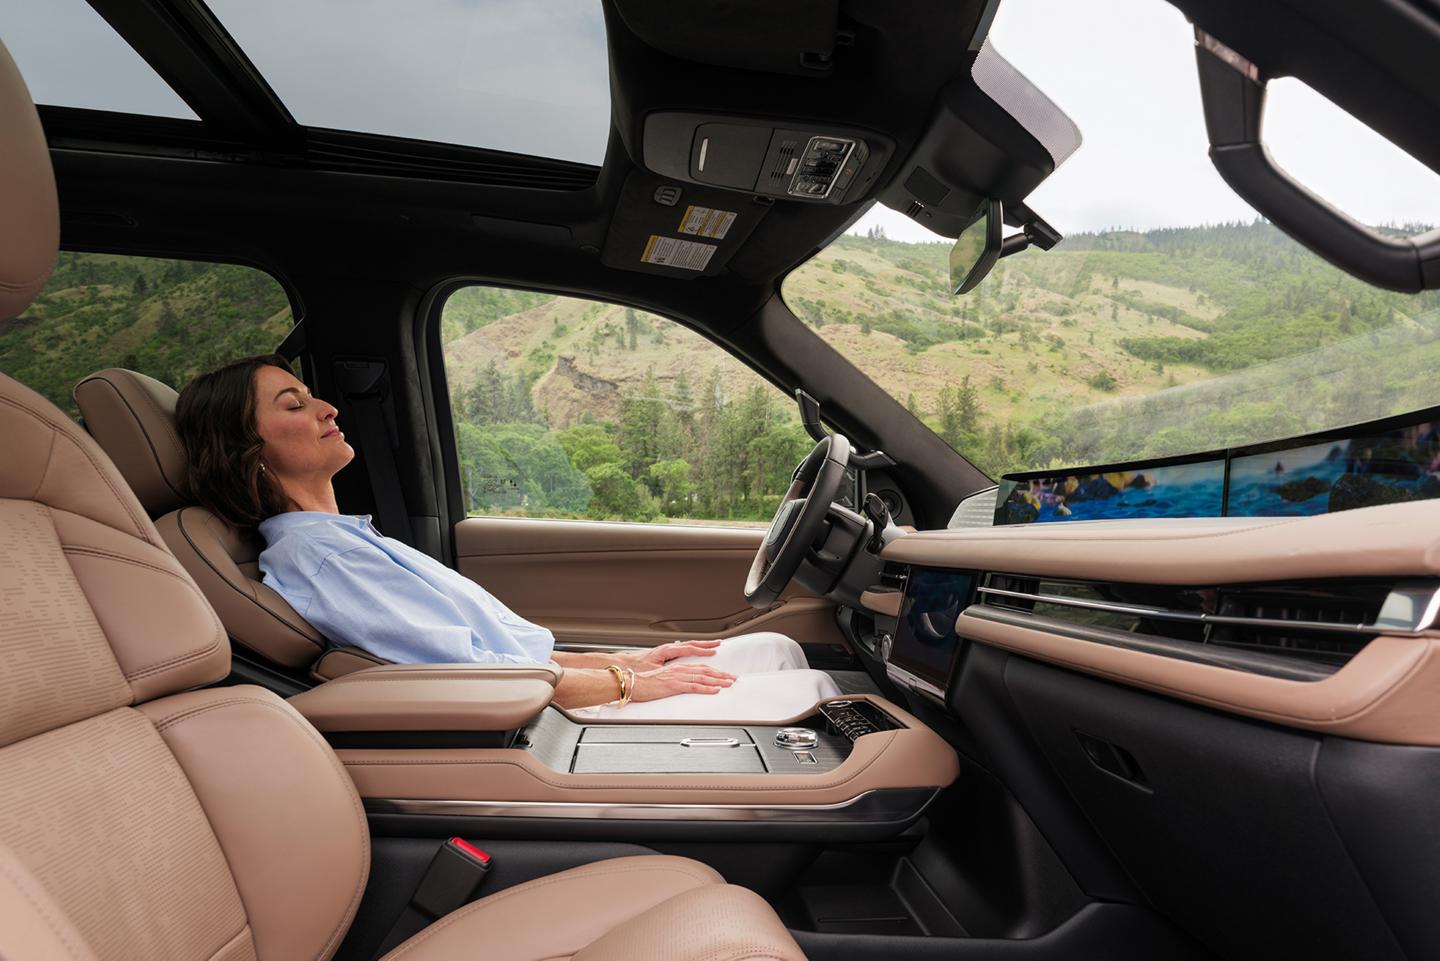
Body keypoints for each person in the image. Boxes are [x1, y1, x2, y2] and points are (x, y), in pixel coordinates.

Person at [175, 354, 840, 720]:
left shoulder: (343, 539)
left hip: (550, 689)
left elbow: (503, 652)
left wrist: (638, 662)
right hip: (546, 718)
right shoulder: (315, 556)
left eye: (312, 395)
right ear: (246, 448)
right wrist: (628, 684)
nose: (326, 408)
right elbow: (471, 677)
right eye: (292, 405)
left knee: (777, 647)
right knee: (811, 698)